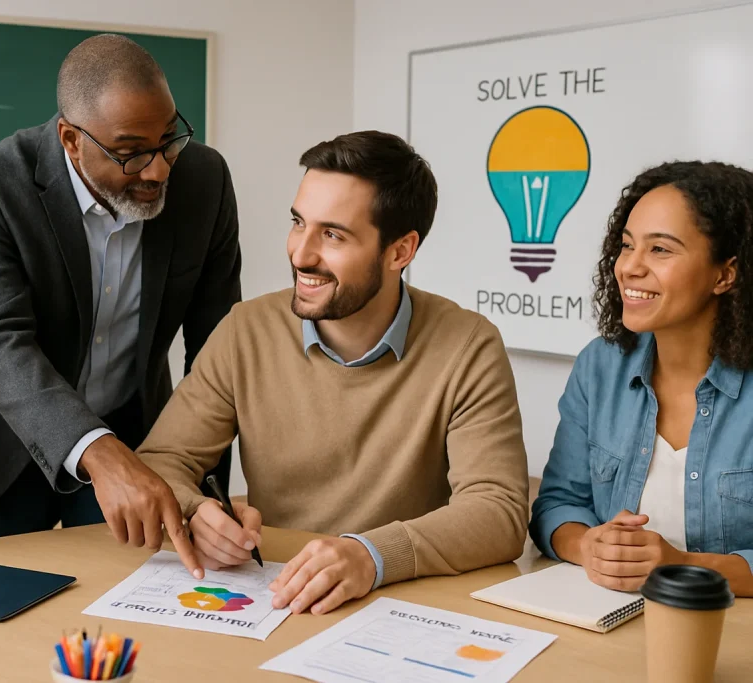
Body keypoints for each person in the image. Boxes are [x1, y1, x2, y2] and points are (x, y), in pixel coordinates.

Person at [131, 131, 530, 613]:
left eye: (333, 235)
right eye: (299, 223)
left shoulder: (468, 345)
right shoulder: (246, 331)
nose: (301, 254)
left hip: (401, 607)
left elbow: (499, 512)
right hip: (275, 600)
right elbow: (160, 462)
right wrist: (197, 514)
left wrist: (372, 556)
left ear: (400, 252)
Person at [0, 33, 240, 551]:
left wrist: (206, 487)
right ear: (72, 140)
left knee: (120, 603)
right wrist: (98, 450)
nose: (158, 169)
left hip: (136, 438)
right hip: (4, 443)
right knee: (10, 612)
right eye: (132, 153)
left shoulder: (205, 181)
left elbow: (217, 348)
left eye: (169, 138)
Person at [530, 160, 753, 597]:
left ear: (725, 274)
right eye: (627, 245)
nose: (629, 267)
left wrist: (687, 567)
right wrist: (587, 546)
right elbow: (557, 506)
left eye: (660, 250)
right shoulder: (599, 367)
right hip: (608, 624)